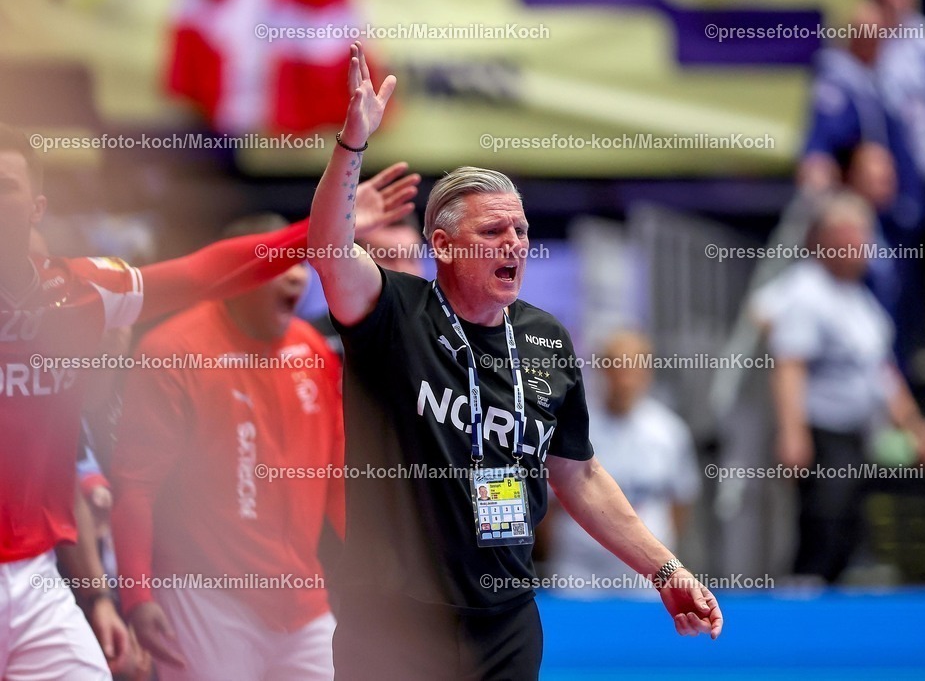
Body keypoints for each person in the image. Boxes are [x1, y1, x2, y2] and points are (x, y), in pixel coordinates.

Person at [310, 43, 722, 681]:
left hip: (505, 620)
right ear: (441, 246)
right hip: (394, 618)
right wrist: (352, 142)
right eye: (493, 233)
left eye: (521, 231)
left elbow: (579, 478)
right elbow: (328, 247)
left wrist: (664, 569)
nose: (515, 244)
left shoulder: (546, 338)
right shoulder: (394, 314)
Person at [0, 123, 311, 681]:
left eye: (5, 186)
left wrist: (321, 228)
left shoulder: (78, 295)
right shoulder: (171, 353)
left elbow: (206, 271)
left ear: (36, 207)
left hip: (34, 577)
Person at [110, 214, 345, 680]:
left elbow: (339, 474)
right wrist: (137, 597)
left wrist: (382, 573)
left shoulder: (312, 347)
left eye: (300, 262)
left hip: (303, 602)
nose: (298, 274)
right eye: (280, 264)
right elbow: (134, 486)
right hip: (203, 594)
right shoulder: (172, 351)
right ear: (238, 276)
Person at [757, 191, 925, 583]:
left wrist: (915, 424)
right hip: (823, 432)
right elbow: (789, 366)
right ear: (825, 241)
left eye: (863, 237)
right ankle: (802, 606)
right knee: (822, 529)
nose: (861, 247)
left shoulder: (860, 300)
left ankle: (832, 615)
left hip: (857, 433)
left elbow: (882, 372)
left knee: (848, 532)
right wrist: (793, 433)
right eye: (851, 238)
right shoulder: (805, 292)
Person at [545, 330, 700, 597]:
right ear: (603, 370)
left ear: (647, 371)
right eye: (617, 366)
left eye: (634, 366)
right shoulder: (572, 425)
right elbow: (548, 506)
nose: (626, 378)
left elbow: (680, 503)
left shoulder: (670, 431)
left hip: (643, 574)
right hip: (579, 572)